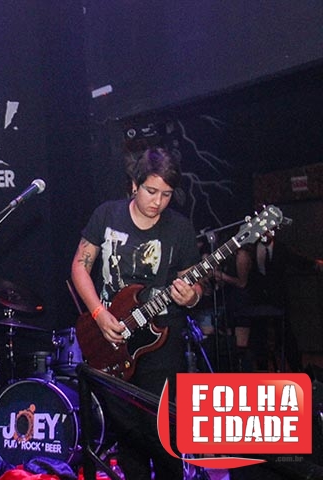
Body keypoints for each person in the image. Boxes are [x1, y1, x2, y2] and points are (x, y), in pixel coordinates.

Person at [71, 147, 202, 480]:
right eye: (151, 191)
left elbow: (195, 283)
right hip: (112, 338)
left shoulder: (179, 229)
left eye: (166, 195)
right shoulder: (107, 215)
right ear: (134, 184)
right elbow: (80, 266)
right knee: (128, 436)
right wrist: (98, 313)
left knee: (162, 433)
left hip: (162, 342)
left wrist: (191, 296)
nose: (158, 201)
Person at [219, 229, 323, 372]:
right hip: (257, 299)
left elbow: (297, 260)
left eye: (269, 232)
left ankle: (297, 369)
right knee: (258, 337)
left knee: (285, 335)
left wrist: (315, 264)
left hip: (278, 299)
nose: (266, 235)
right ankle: (262, 370)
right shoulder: (252, 249)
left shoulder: (281, 248)